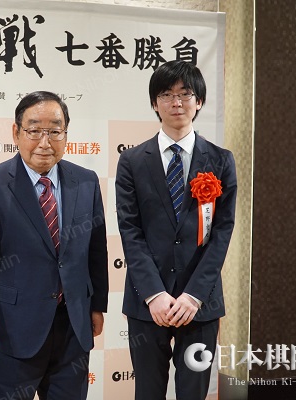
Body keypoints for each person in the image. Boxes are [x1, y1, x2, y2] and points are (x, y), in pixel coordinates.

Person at [0, 91, 108, 400]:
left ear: (66, 134)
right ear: (16, 132)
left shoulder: (86, 181)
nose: (45, 142)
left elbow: (96, 251)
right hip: (11, 330)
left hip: (72, 327)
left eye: (55, 131)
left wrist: (97, 306)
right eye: (34, 130)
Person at [115, 60, 237, 400]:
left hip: (200, 304)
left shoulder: (221, 160)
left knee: (193, 393)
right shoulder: (132, 162)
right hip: (147, 304)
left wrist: (193, 295)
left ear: (199, 101)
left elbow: (221, 233)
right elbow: (130, 231)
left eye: (185, 94)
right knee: (147, 392)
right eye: (167, 95)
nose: (177, 102)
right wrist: (154, 294)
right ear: (155, 103)